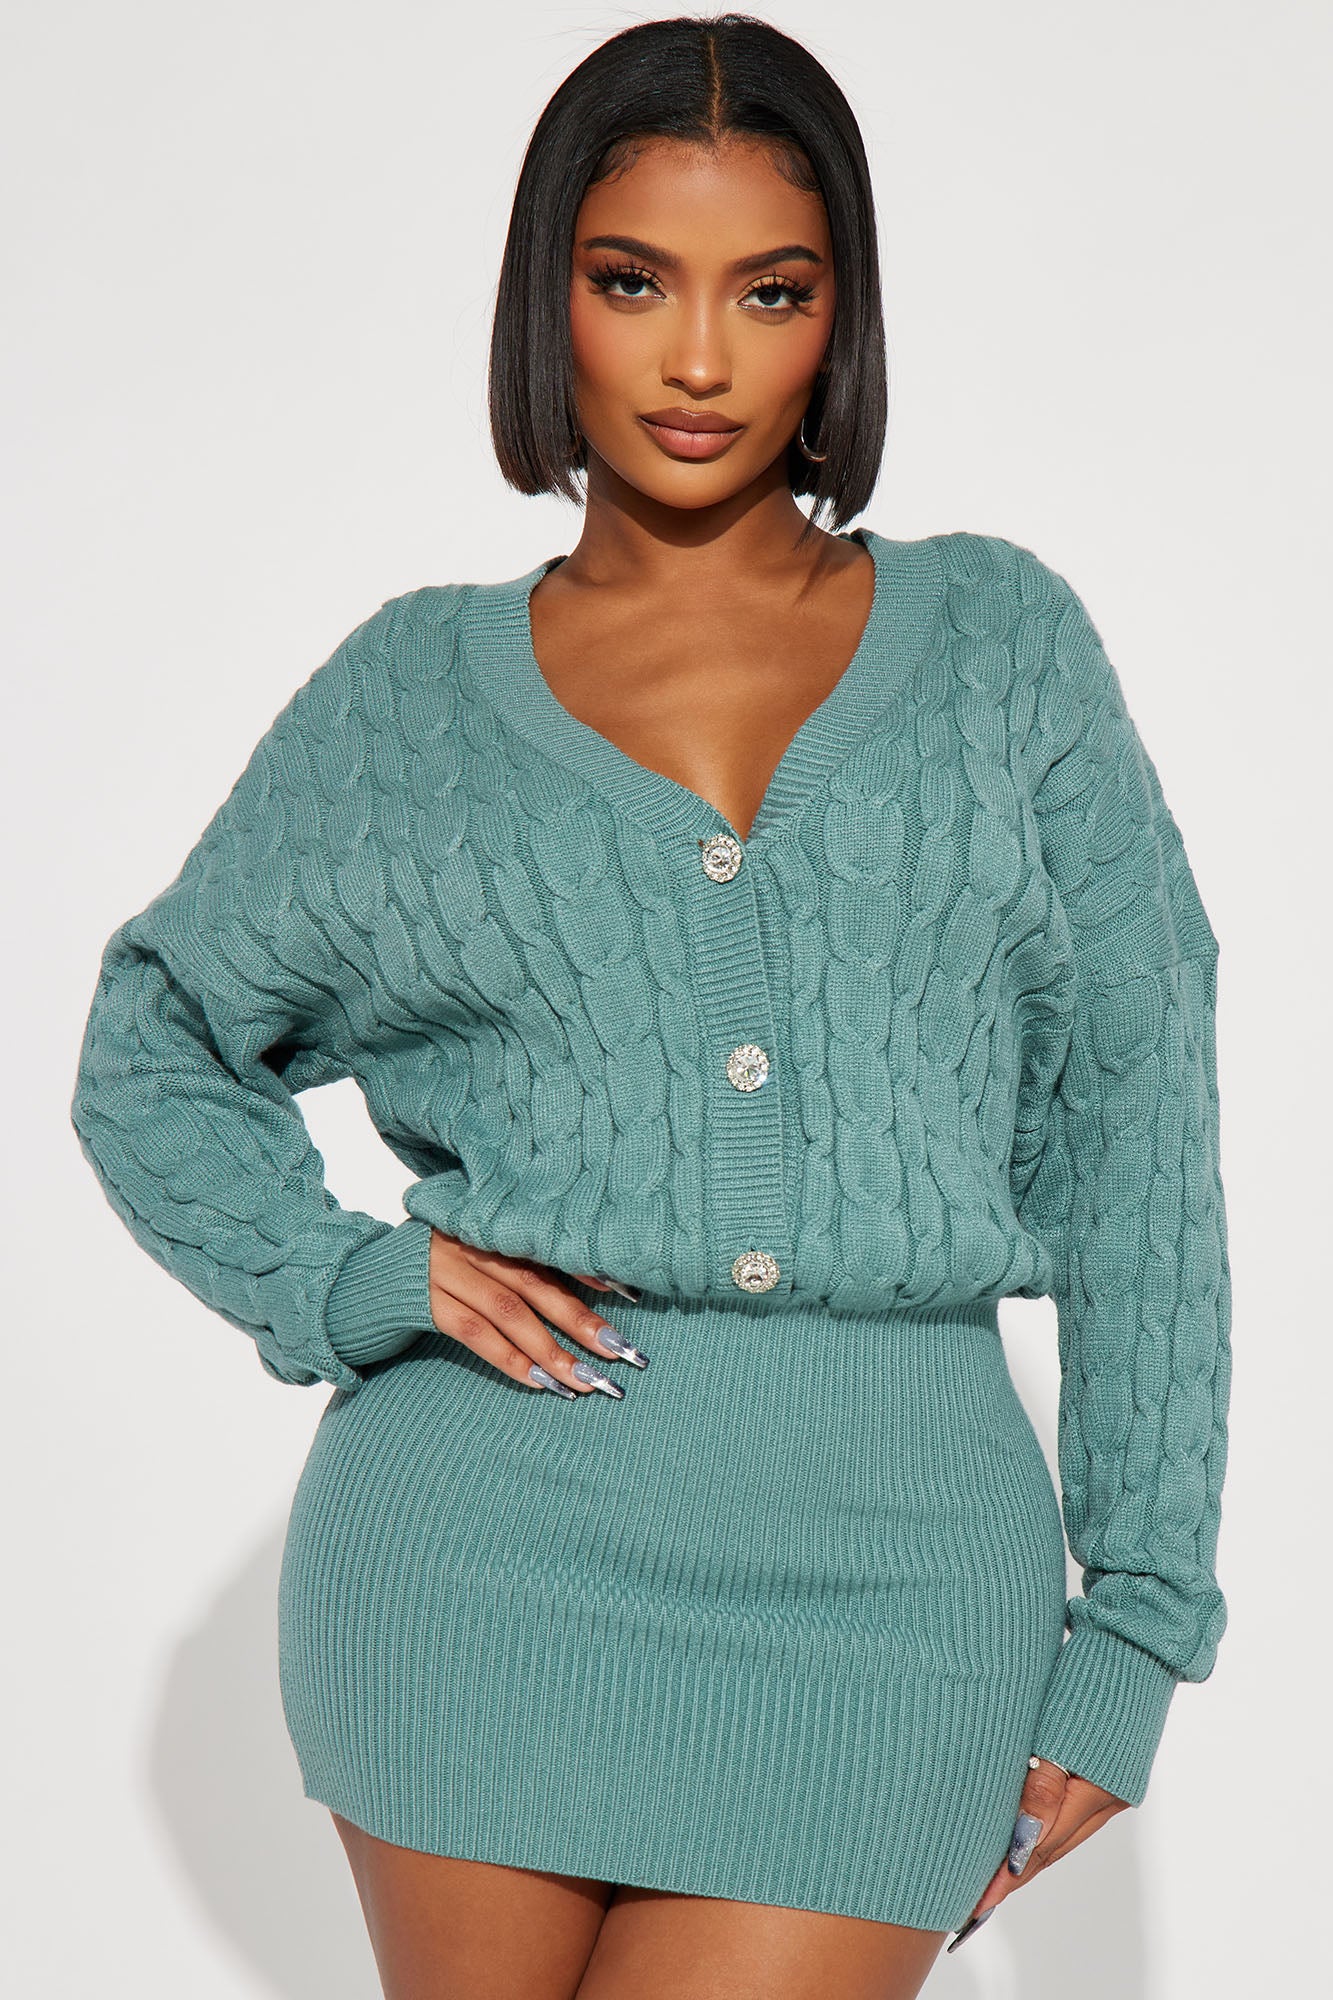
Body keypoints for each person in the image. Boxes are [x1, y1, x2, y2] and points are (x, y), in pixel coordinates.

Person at [68, 13, 1232, 1998]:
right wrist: (346, 1279)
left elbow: (1143, 1129)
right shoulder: (409, 694)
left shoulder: (1003, 649)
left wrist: (1132, 1618)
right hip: (476, 1559)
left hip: (891, 1584)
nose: (698, 359)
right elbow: (152, 1043)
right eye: (632, 283)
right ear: (551, 302)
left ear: (838, 324)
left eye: (769, 292)